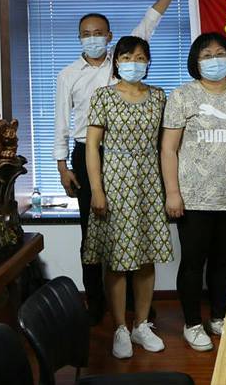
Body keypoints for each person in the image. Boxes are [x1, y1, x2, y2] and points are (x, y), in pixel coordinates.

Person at [54, 0, 187, 324]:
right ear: (80, 38)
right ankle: (96, 304)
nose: (93, 38)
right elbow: (61, 123)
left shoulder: (126, 58)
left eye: (99, 32)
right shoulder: (68, 75)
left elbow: (151, 18)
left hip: (134, 156)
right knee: (94, 232)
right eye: (86, 33)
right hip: (88, 154)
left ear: (109, 36)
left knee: (135, 229)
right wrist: (62, 167)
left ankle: (133, 307)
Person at [162, 32, 226, 352]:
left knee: (224, 261)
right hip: (193, 196)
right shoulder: (182, 96)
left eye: (219, 53)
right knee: (193, 262)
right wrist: (173, 193)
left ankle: (219, 317)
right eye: (206, 55)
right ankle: (192, 323)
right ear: (196, 61)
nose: (214, 60)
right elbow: (168, 149)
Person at [83, 36, 172, 360]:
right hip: (115, 180)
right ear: (117, 61)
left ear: (148, 62)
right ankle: (120, 327)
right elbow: (92, 146)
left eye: (139, 57)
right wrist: (97, 190)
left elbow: (167, 145)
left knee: (147, 257)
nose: (133, 62)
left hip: (149, 180)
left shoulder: (159, 96)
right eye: (126, 57)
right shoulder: (103, 96)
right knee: (117, 260)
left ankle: (141, 324)